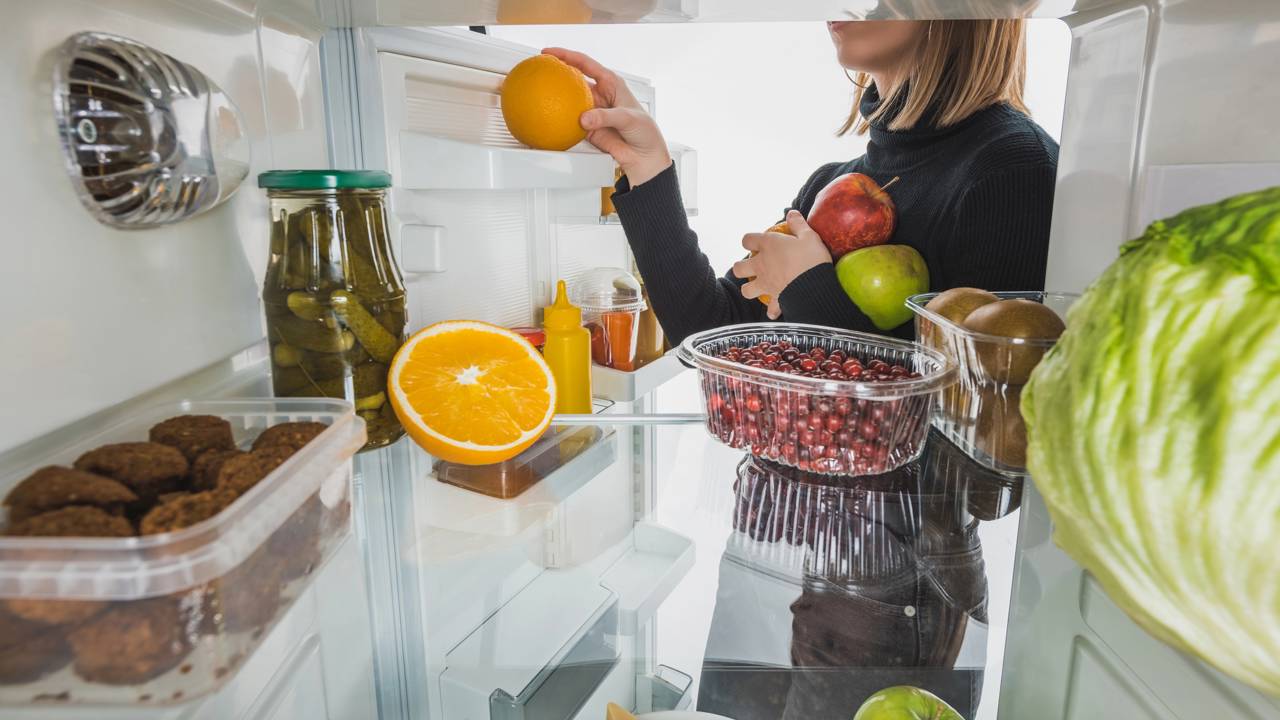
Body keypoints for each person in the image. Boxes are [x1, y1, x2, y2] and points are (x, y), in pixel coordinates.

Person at [544, 19, 1058, 345]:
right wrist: (647, 165)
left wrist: (810, 288)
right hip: (794, 510)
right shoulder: (833, 185)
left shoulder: (1012, 168)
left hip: (917, 513)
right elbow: (709, 328)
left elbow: (976, 401)